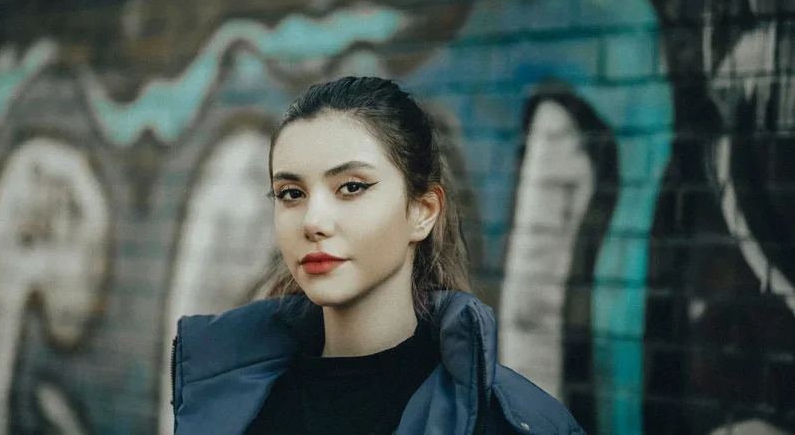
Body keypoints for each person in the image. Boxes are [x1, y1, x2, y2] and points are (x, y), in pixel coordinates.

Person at [170, 76, 585, 434]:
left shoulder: (515, 423)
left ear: (423, 212)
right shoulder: (225, 401)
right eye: (291, 194)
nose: (314, 222)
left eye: (351, 187)